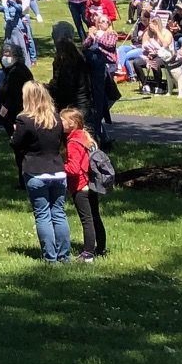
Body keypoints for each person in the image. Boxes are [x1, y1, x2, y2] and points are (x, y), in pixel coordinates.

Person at [10, 81, 72, 262]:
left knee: (43, 214)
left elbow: (15, 144)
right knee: (59, 213)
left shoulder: (24, 120)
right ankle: (64, 255)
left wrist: (15, 133)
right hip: (58, 171)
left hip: (36, 171)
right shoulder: (56, 119)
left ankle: (50, 257)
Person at [61, 107, 106, 262]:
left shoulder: (73, 143)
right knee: (95, 216)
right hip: (92, 183)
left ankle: (88, 253)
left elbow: (73, 169)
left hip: (80, 185)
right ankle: (101, 248)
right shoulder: (85, 137)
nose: (59, 123)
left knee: (87, 220)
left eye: (62, 120)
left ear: (72, 123)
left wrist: (59, 166)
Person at [0, 44, 34, 187]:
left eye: (8, 54)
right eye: (3, 53)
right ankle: (23, 178)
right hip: (13, 115)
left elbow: (15, 95)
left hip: (16, 115)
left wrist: (5, 108)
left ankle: (24, 180)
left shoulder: (17, 72)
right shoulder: (11, 70)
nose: (5, 56)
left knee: (21, 148)